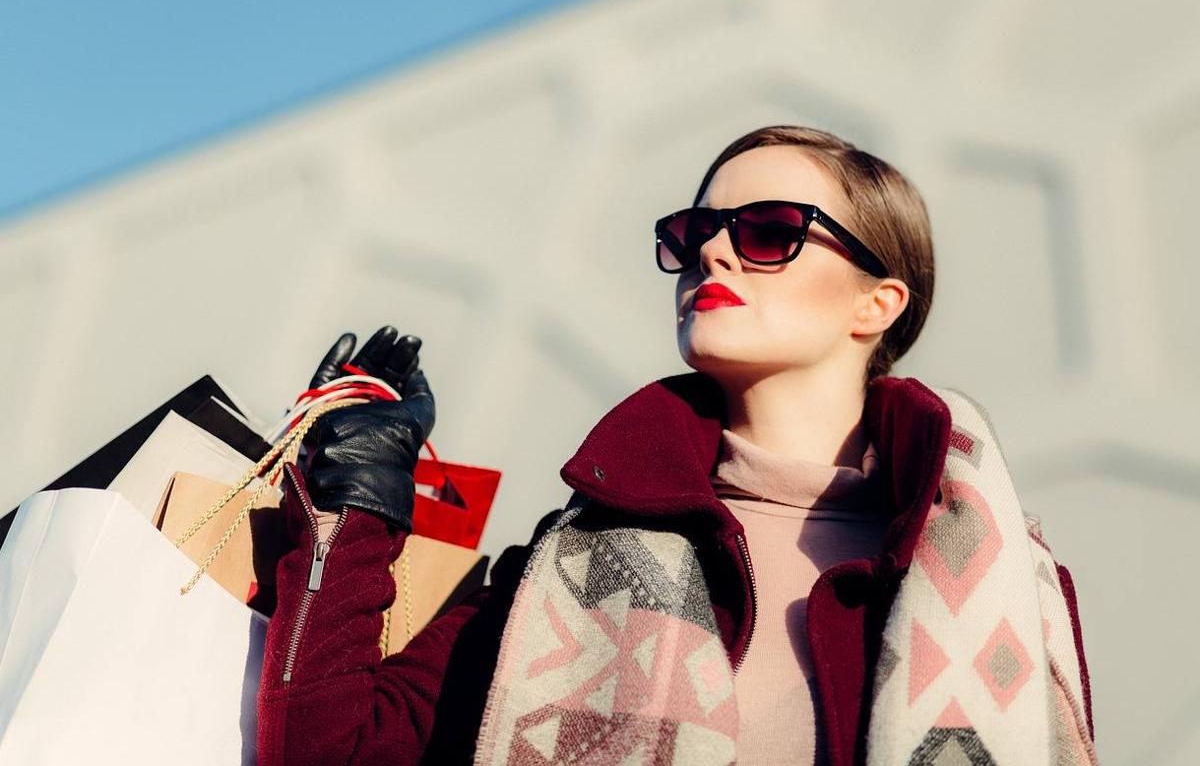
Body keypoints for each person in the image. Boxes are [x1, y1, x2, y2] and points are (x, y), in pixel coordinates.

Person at [256, 125, 1096, 766]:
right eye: (697, 232)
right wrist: (357, 500)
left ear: (875, 304)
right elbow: (329, 748)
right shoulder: (569, 567)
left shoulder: (997, 583)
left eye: (770, 231)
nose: (715, 251)